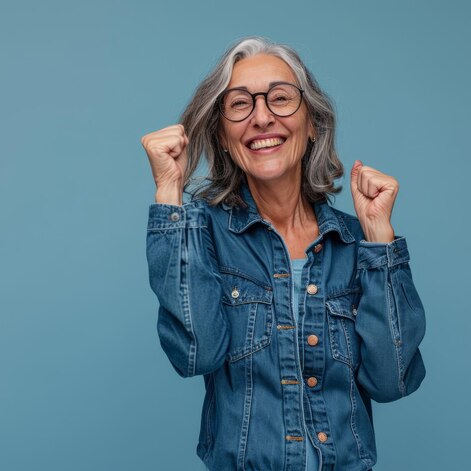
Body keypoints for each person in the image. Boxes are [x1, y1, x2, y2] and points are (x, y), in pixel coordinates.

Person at [142, 37, 426, 471]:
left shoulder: (356, 244)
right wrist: (170, 195)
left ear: (312, 122)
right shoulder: (201, 234)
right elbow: (195, 352)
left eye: (280, 98)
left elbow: (393, 380)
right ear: (221, 134)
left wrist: (380, 243)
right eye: (240, 104)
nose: (262, 117)